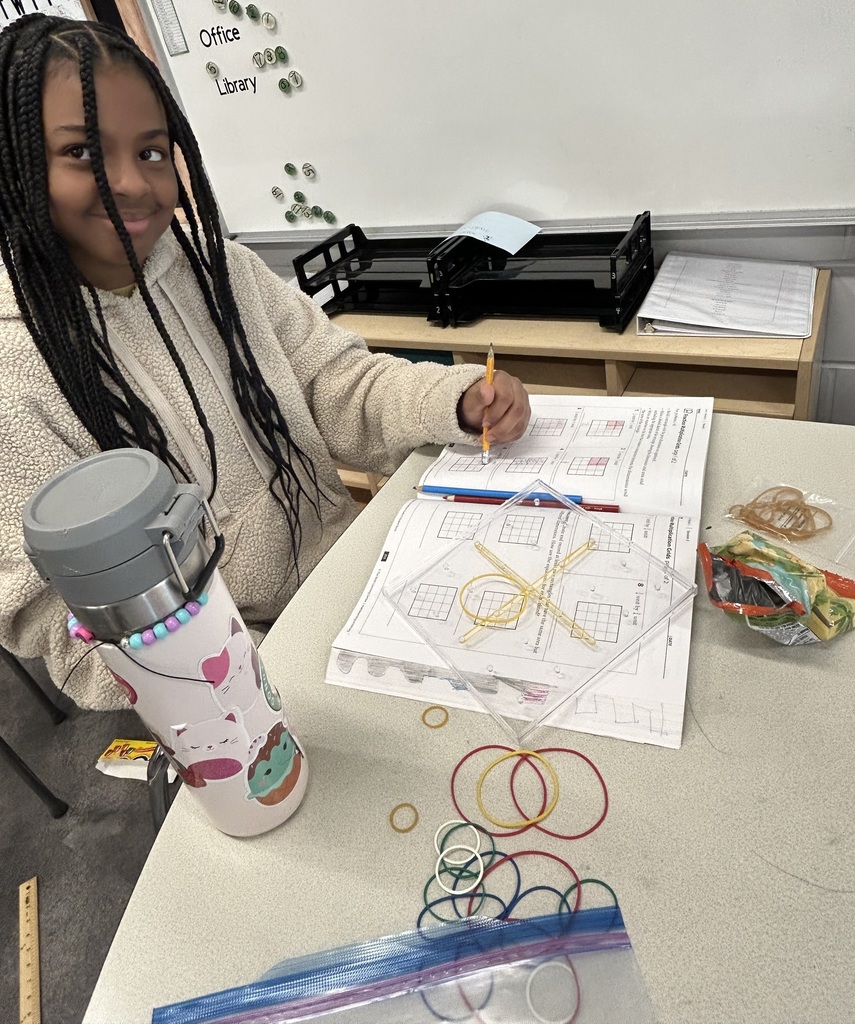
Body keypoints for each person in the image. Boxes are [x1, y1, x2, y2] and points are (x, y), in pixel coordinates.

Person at [0, 14, 530, 711]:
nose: (130, 182)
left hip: (351, 583)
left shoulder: (219, 268)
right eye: (83, 154)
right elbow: (48, 612)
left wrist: (452, 400)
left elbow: (333, 383)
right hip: (226, 683)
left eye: (154, 152)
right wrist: (224, 677)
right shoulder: (17, 375)